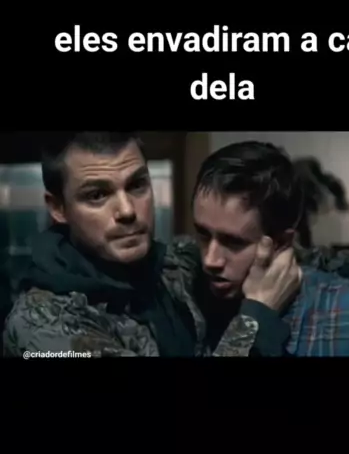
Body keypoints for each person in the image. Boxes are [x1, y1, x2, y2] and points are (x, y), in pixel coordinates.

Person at [3, 132, 302, 357]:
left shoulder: (176, 265)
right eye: (97, 195)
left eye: (137, 185)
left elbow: (275, 249)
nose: (127, 211)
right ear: (58, 208)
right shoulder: (41, 324)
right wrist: (257, 317)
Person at [186, 141, 349, 356]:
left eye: (234, 242)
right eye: (203, 234)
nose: (210, 260)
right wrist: (257, 314)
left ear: (281, 242)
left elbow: (327, 260)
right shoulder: (177, 290)